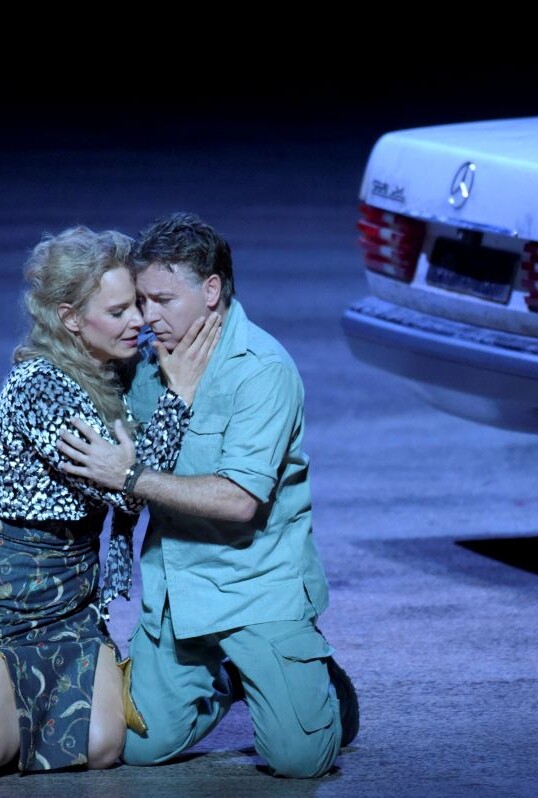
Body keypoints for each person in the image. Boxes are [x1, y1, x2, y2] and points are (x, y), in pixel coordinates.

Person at [57, 211, 360, 779]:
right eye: (141, 300)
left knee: (298, 761)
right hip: (180, 591)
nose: (147, 316)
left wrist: (129, 477)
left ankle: (319, 688)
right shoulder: (147, 365)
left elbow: (239, 501)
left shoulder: (262, 371)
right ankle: (233, 678)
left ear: (212, 290)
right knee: (139, 746)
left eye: (162, 300)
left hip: (256, 586)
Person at [0, 225, 220, 774]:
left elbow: (129, 477)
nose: (138, 321)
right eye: (119, 311)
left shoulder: (109, 368)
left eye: (138, 305)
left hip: (73, 598)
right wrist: (179, 396)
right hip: (12, 595)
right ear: (71, 318)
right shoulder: (40, 387)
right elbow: (125, 492)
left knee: (101, 747)